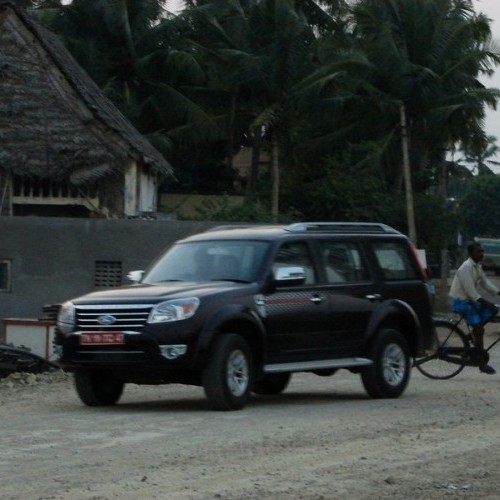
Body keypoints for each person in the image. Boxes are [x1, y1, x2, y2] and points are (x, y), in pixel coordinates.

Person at [449, 242, 500, 374]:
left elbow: (485, 283)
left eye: (482, 251)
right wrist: (487, 303)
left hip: (469, 301)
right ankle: (482, 364)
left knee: (493, 310)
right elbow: (471, 293)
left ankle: (472, 336)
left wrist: (498, 292)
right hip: (461, 302)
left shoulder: (477, 266)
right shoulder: (465, 268)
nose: (481, 254)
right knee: (479, 328)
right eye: (479, 252)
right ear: (471, 253)